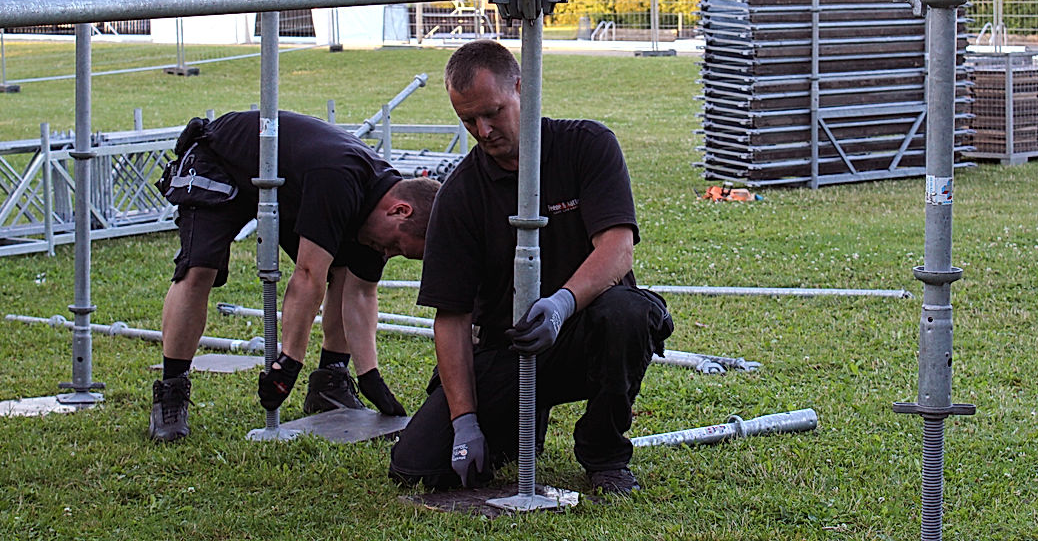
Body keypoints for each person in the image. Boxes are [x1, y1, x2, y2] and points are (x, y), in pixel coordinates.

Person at [389, 40, 672, 496]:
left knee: (628, 314)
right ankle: (519, 423)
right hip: (506, 350)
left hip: (584, 335)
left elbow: (617, 250)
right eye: (468, 120)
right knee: (417, 467)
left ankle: (603, 454)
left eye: (492, 113)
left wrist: (562, 305)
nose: (483, 131)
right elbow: (452, 317)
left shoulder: (586, 147)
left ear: (522, 88)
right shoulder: (460, 195)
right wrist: (464, 422)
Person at [149, 109, 440, 443]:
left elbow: (360, 291)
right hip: (222, 159)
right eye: (396, 246)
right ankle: (171, 389)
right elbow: (307, 275)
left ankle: (330, 381)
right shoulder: (339, 180)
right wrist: (289, 361)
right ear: (400, 210)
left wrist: (370, 376)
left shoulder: (381, 201)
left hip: (289, 183)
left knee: (345, 269)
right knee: (199, 268)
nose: (388, 253)